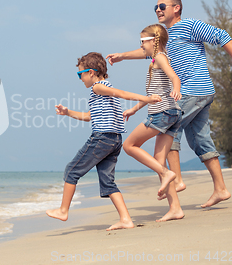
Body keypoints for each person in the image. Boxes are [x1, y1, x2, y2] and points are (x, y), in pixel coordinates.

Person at [107, 0, 232, 208]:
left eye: (162, 6)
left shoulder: (189, 25)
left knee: (168, 131)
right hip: (201, 93)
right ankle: (221, 189)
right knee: (200, 140)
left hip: (192, 90)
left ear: (176, 8)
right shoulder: (166, 37)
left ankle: (176, 180)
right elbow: (150, 51)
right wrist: (122, 55)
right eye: (155, 7)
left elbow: (222, 36)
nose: (158, 10)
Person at [46, 52, 161, 230]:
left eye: (80, 74)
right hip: (114, 140)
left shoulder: (98, 88)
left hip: (102, 138)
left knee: (71, 171)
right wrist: (68, 113)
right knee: (107, 182)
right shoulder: (103, 90)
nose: (80, 78)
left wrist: (146, 99)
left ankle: (63, 210)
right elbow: (89, 116)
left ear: (91, 72)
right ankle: (125, 219)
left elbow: (122, 93)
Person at [122, 24, 184, 222]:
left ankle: (166, 173)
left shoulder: (160, 58)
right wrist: (134, 109)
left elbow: (174, 77)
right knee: (158, 160)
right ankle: (175, 208)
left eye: (142, 42)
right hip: (172, 113)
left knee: (129, 145)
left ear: (153, 41)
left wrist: (176, 89)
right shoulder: (157, 59)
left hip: (162, 114)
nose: (141, 46)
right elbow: (153, 94)